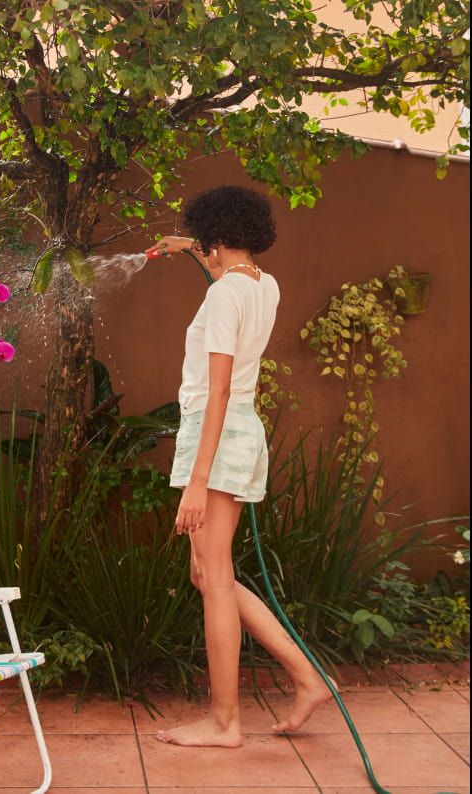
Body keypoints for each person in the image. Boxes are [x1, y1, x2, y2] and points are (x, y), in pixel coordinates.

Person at [144, 185, 334, 748]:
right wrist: (188, 249)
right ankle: (306, 677)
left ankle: (225, 722)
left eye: (202, 235)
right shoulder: (262, 284)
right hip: (237, 430)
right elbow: (223, 275)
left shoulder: (227, 294)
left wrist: (196, 484)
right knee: (209, 575)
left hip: (216, 431)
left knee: (214, 578)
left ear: (216, 233)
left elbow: (219, 388)